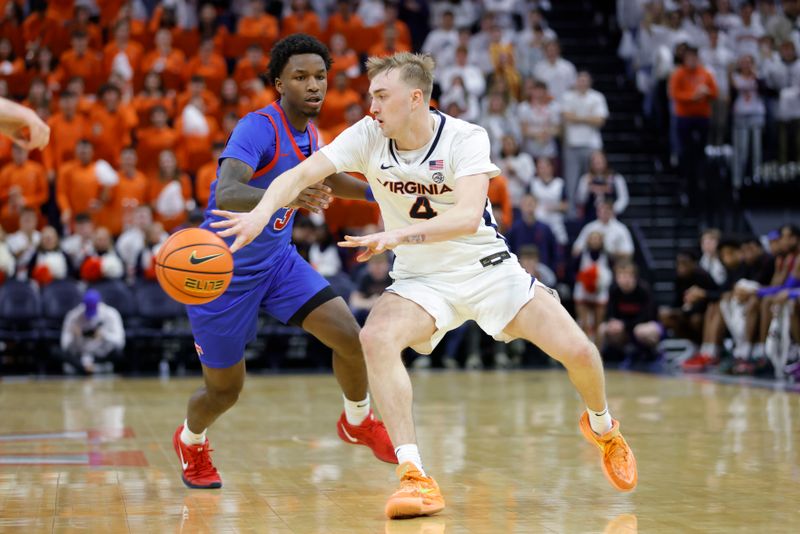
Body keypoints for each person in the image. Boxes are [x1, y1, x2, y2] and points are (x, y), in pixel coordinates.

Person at [213, 51, 637, 519]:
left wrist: (395, 234)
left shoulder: (465, 137)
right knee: (374, 337)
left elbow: (467, 216)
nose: (370, 106)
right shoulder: (368, 135)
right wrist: (260, 212)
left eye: (381, 96)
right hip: (420, 280)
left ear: (415, 99)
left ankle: (603, 427)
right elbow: (298, 175)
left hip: (488, 270)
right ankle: (414, 474)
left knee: (579, 352)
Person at [172, 34, 395, 491]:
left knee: (351, 338)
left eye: (320, 77)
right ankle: (191, 440)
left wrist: (387, 190)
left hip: (275, 263)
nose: (313, 86)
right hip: (221, 274)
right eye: (300, 77)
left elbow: (329, 176)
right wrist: (291, 194)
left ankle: (357, 421)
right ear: (279, 83)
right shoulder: (258, 127)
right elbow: (229, 191)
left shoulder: (310, 132)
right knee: (224, 392)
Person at [60, 289, 125, 374]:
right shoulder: (74, 316)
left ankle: (85, 368)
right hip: (80, 354)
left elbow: (120, 341)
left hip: (101, 354)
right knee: (56, 352)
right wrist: (75, 335)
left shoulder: (111, 314)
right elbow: (64, 345)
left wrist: (103, 335)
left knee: (118, 354)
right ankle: (91, 368)